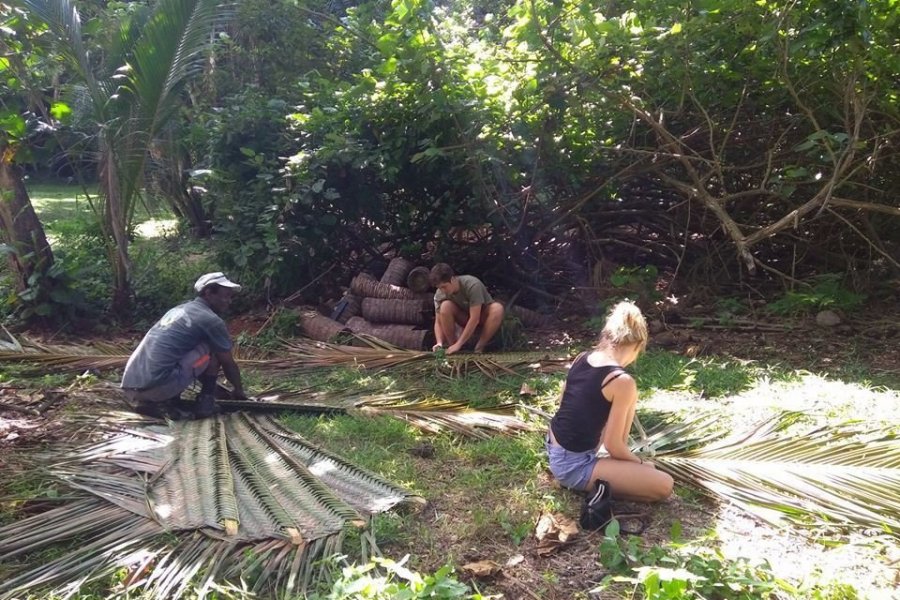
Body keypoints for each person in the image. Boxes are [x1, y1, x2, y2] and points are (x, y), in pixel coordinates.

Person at [546, 301, 673, 502]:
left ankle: (599, 472)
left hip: (555, 448)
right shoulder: (621, 381)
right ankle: (577, 481)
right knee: (664, 485)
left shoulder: (582, 358)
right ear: (638, 345)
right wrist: (641, 464)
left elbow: (564, 403)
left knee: (620, 397)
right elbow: (613, 445)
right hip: (573, 465)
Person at [121, 272, 248, 419]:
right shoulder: (210, 320)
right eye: (226, 295)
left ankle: (163, 397)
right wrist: (238, 390)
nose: (229, 301)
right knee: (212, 350)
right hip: (155, 388)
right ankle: (205, 402)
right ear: (208, 293)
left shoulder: (178, 310)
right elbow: (227, 363)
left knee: (190, 348)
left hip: (131, 387)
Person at [429, 263, 505, 355]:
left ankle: (479, 347)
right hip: (463, 318)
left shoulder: (472, 284)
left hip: (481, 317)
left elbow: (474, 319)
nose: (442, 291)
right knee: (445, 306)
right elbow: (438, 322)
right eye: (439, 288)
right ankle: (452, 345)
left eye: (444, 287)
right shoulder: (439, 294)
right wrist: (439, 342)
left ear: (452, 279)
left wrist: (459, 344)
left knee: (497, 308)